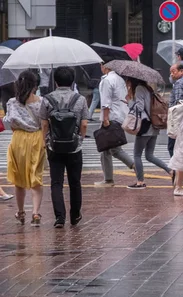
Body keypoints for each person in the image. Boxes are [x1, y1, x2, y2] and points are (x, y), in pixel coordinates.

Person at [40, 67, 88, 228]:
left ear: (56, 81)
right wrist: (80, 139)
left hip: (54, 146)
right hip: (74, 147)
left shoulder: (47, 99)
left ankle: (59, 217)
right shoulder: (80, 99)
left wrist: (44, 142)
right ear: (72, 81)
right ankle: (75, 215)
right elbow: (84, 124)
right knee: (75, 182)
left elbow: (45, 123)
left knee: (56, 182)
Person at [2, 70, 45, 226]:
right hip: (37, 138)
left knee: (19, 179)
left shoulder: (12, 102)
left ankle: (21, 212)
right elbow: (44, 123)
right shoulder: (41, 101)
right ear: (35, 85)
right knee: (36, 176)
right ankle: (35, 213)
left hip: (18, 139)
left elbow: (9, 123)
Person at [125, 77, 173, 190]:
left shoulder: (139, 89)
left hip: (145, 125)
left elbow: (140, 107)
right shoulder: (148, 88)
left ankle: (140, 182)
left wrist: (129, 101)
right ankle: (170, 171)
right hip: (153, 126)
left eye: (127, 80)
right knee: (149, 155)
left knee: (137, 154)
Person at [95, 57, 135, 187]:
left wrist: (105, 119)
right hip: (120, 115)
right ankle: (108, 179)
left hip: (111, 117)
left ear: (104, 66)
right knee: (106, 149)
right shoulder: (119, 79)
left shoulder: (106, 81)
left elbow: (105, 103)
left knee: (114, 150)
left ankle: (136, 167)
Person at [167, 64, 183, 181]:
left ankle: (181, 171)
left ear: (181, 71)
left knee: (173, 146)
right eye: (171, 72)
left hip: (179, 120)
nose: (171, 74)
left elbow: (178, 103)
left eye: (174, 71)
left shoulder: (179, 83)